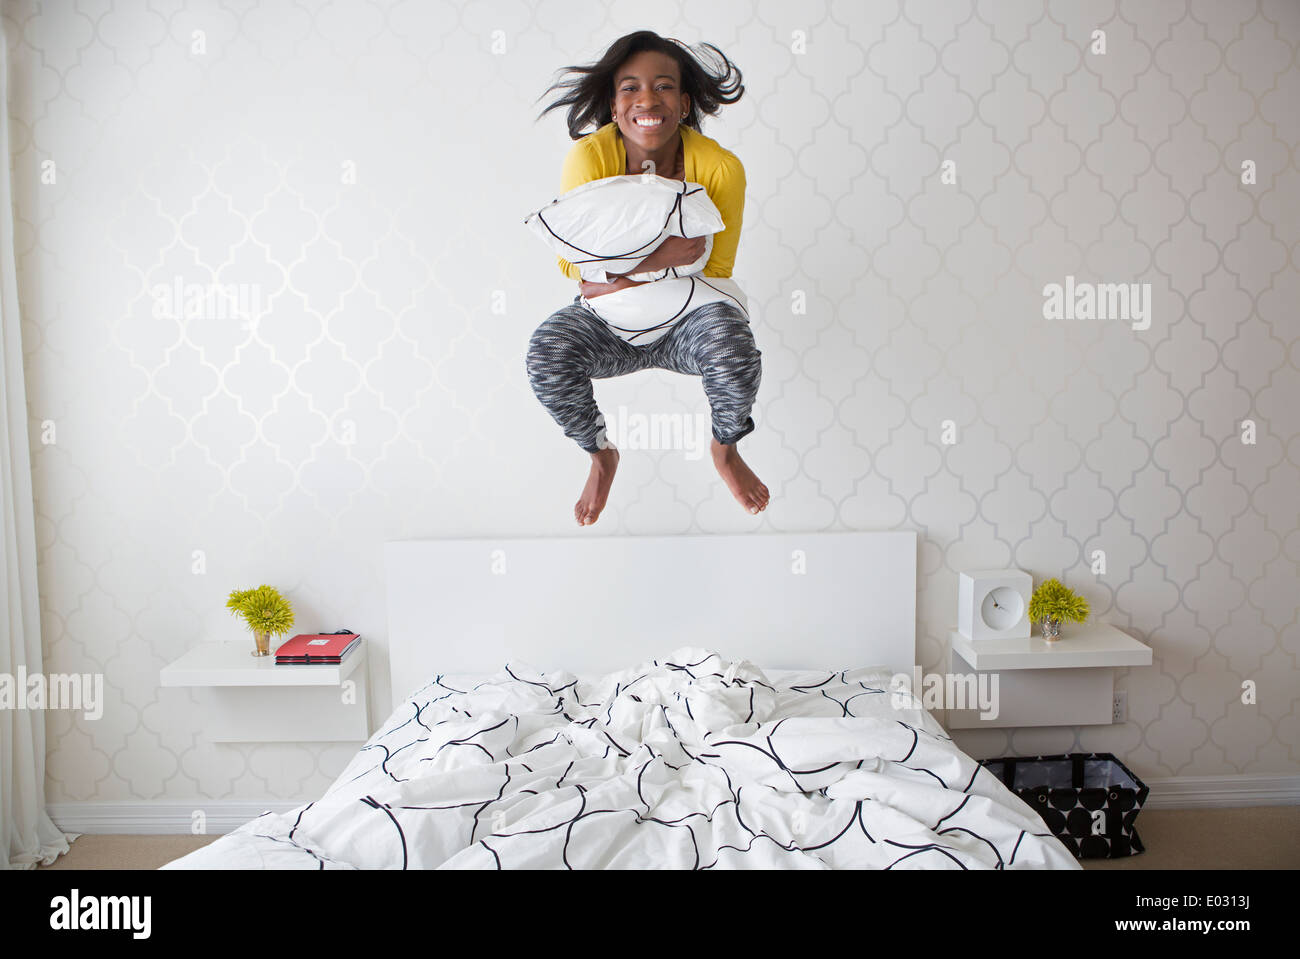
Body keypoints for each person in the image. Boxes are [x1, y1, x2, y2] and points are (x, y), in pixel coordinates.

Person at [528, 31, 769, 526]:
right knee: (546, 352)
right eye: (630, 88)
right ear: (614, 107)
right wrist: (657, 260)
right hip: (608, 325)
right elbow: (572, 266)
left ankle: (725, 449)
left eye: (663, 87)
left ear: (683, 104)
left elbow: (714, 267)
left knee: (732, 346)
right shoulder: (589, 160)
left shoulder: (721, 167)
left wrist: (613, 271)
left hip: (691, 319)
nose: (647, 100)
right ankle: (600, 454)